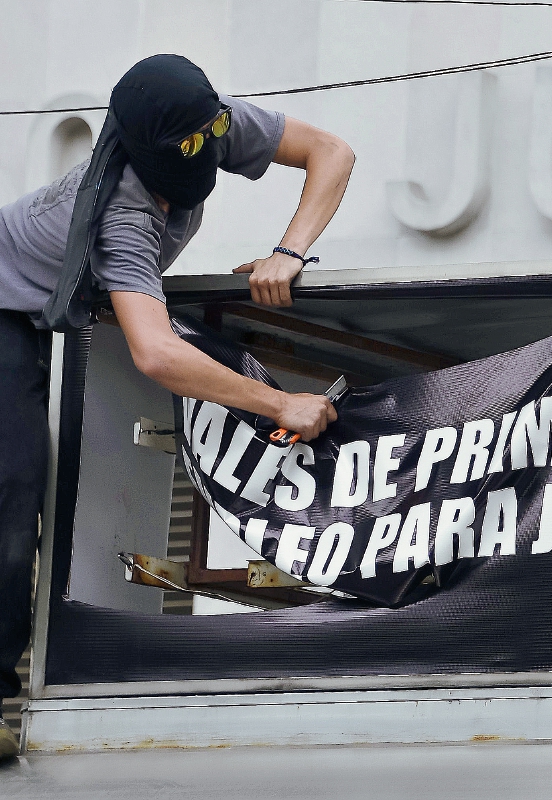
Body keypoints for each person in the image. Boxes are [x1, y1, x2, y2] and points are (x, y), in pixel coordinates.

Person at [0, 54, 355, 759]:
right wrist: (280, 402)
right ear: (149, 150)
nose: (208, 149)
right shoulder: (121, 213)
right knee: (13, 488)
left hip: (56, 310)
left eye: (211, 134)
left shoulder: (212, 121)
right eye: (189, 146)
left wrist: (291, 249)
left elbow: (332, 152)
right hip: (5, 310)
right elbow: (156, 354)